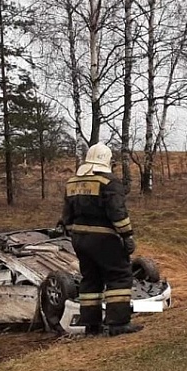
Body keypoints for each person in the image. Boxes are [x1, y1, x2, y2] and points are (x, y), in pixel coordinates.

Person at [62, 142, 142, 336]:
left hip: (79, 239)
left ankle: (91, 325)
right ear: (107, 161)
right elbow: (118, 213)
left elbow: (66, 216)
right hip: (105, 239)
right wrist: (127, 235)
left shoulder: (72, 182)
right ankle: (118, 323)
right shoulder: (109, 182)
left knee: (90, 279)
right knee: (119, 276)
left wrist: (76, 233)